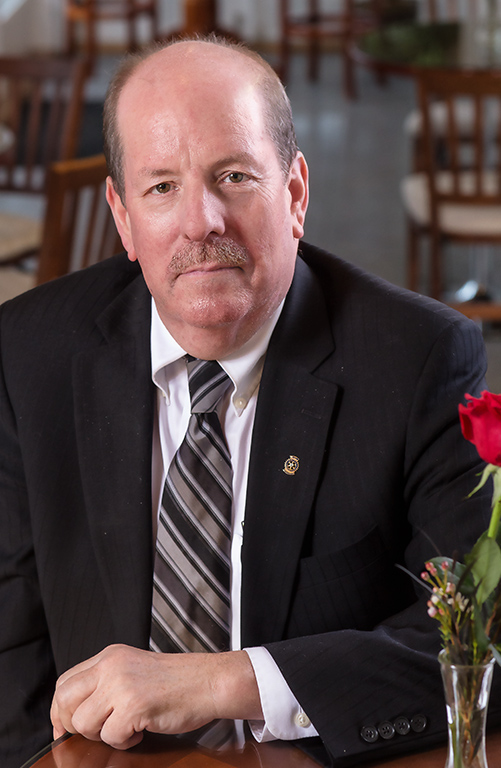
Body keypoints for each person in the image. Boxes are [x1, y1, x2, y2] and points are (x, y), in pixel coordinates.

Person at [0, 35, 499, 768]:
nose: (201, 222)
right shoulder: (27, 351)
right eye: (161, 187)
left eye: (232, 176)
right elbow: (8, 644)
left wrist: (225, 682)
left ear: (294, 194)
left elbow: (477, 646)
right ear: (122, 217)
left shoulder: (417, 359)